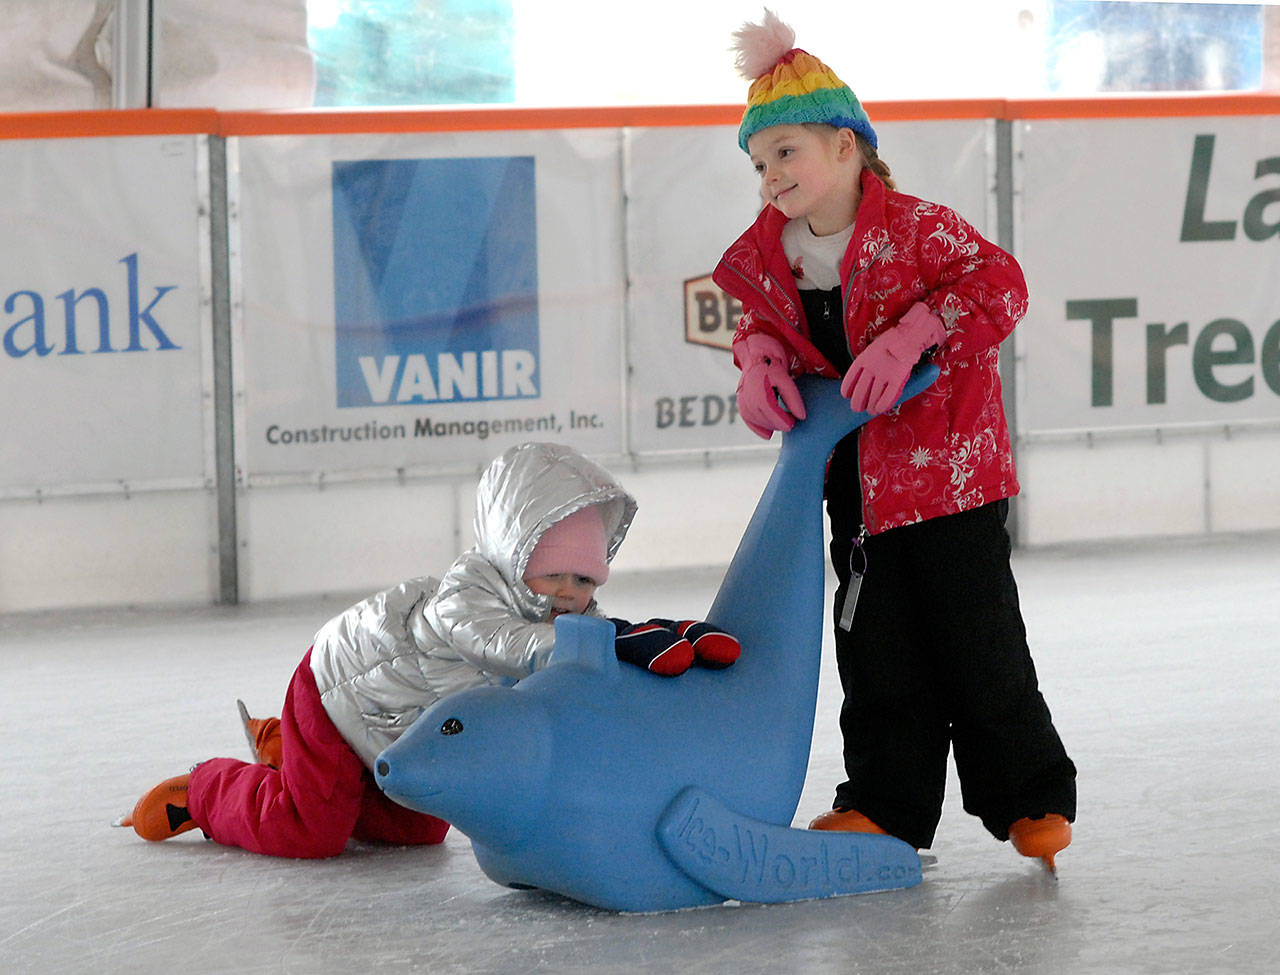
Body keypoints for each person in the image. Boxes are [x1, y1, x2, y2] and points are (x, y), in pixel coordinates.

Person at [713, 10, 1076, 870]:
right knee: (876, 655)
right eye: (760, 162)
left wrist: (915, 332)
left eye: (787, 151)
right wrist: (757, 353)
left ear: (846, 145)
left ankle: (1029, 798)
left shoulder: (919, 229)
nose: (771, 176)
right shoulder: (771, 260)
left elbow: (1001, 285)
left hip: (951, 479)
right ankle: (884, 804)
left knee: (977, 641)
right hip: (857, 490)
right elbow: (756, 321)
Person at [118, 442, 740, 858]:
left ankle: (291, 754)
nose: (569, 595)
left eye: (584, 581)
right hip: (338, 689)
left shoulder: (568, 621)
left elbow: (581, 673)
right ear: (514, 554)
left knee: (417, 830)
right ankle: (204, 790)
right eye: (552, 574)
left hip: (396, 724)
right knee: (311, 831)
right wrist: (600, 643)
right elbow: (506, 648)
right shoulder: (466, 593)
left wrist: (647, 655)